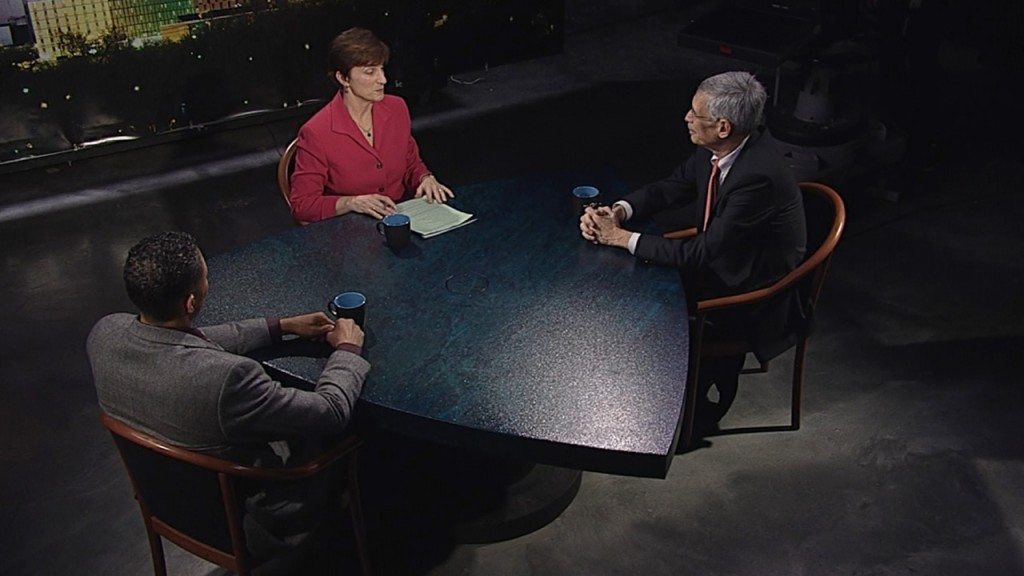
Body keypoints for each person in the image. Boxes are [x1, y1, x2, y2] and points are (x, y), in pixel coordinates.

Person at [87, 231, 370, 560]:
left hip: (167, 500)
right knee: (357, 434)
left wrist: (282, 326)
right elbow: (330, 412)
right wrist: (349, 350)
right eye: (206, 278)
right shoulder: (228, 379)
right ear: (191, 302)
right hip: (242, 519)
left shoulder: (104, 334)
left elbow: (189, 341)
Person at [580, 71, 807, 433]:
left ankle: (669, 408)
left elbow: (699, 253)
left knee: (640, 299)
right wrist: (620, 212)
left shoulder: (757, 175)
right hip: (719, 260)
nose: (686, 118)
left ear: (722, 127)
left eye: (695, 113)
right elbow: (670, 188)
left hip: (748, 292)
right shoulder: (720, 149)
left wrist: (620, 238)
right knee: (626, 282)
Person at [288, 27, 453, 223]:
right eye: (370, 72)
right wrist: (350, 203)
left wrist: (425, 178)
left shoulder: (397, 108)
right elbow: (302, 206)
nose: (382, 80)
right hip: (350, 232)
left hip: (400, 219)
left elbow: (410, 163)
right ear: (343, 78)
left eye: (382, 69)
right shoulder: (316, 132)